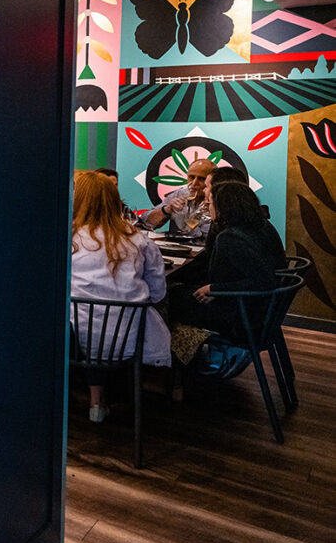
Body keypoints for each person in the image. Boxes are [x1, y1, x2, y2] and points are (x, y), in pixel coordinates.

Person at [71, 171, 169, 423]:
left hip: (73, 344)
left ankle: (92, 400)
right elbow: (158, 293)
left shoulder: (67, 239)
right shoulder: (139, 240)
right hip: (127, 341)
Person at [169, 181, 286, 341]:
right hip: (260, 310)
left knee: (165, 298)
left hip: (240, 316)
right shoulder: (262, 226)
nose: (208, 208)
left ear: (223, 207)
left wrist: (214, 288)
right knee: (177, 292)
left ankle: (178, 358)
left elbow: (263, 281)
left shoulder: (230, 238)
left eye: (210, 204)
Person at [139, 158, 216, 240]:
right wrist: (166, 210)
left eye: (201, 179)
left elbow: (206, 238)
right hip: (176, 248)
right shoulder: (179, 194)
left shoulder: (216, 202)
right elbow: (145, 223)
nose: (194, 183)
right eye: (191, 177)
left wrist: (184, 219)